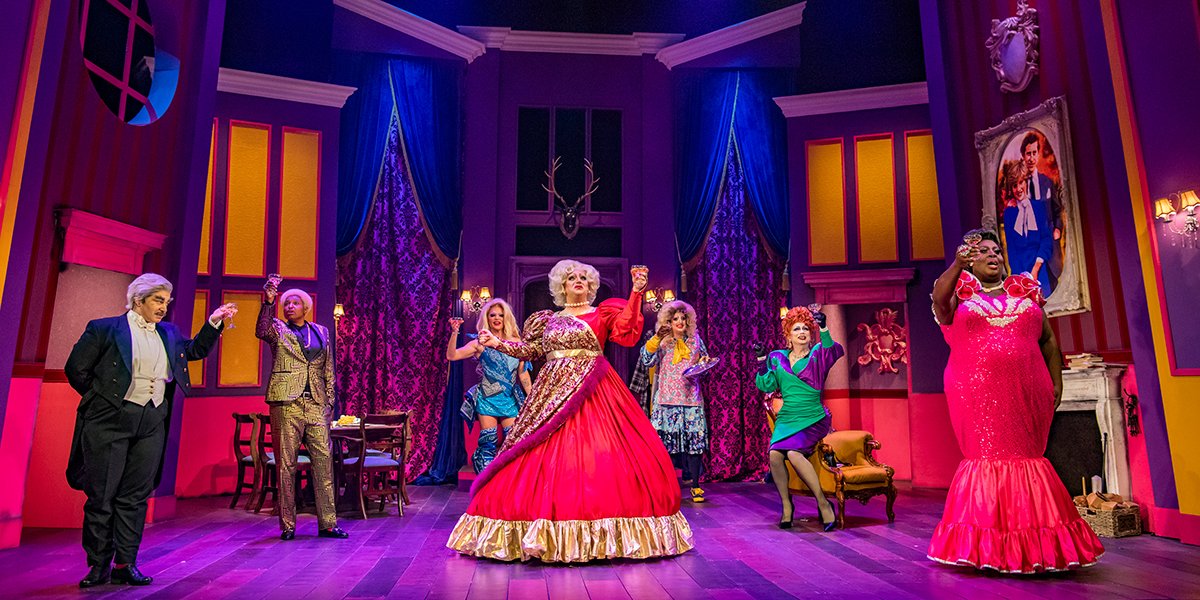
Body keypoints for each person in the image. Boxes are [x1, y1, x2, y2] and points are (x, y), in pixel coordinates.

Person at [446, 260, 693, 562]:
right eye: (572, 277)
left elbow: (627, 331)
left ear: (591, 286)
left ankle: (602, 534)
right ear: (561, 286)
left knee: (599, 456)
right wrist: (498, 343)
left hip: (595, 388)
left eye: (584, 278)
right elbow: (531, 351)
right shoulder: (547, 320)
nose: (578, 281)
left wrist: (637, 292)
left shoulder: (602, 313)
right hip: (550, 393)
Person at [927, 229, 1104, 574]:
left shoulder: (1025, 290)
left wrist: (1056, 381)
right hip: (976, 392)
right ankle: (987, 547)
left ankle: (1039, 546)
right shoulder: (958, 294)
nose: (993, 255)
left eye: (996, 250)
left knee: (1029, 458)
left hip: (1028, 389)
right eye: (983, 251)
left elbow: (1048, 340)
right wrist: (956, 265)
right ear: (970, 260)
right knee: (988, 456)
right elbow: (938, 300)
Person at [65, 274, 235, 587]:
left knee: (135, 496)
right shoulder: (104, 328)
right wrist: (104, 401)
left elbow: (193, 351)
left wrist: (214, 323)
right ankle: (98, 565)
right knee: (102, 495)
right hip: (110, 420)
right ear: (138, 300)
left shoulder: (168, 332)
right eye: (158, 300)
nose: (163, 307)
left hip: (152, 420)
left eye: (166, 302)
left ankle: (125, 563)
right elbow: (76, 369)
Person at [256, 281, 348, 542]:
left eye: (295, 303)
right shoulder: (277, 328)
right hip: (287, 403)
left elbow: (328, 368)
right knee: (286, 465)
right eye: (286, 303)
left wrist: (329, 402)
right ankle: (288, 524)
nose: (290, 306)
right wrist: (269, 301)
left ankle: (328, 523)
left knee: (324, 463)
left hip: (316, 403)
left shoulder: (321, 331)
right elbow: (261, 329)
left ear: (306, 307)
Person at [755, 306, 844, 531]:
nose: (802, 332)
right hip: (787, 417)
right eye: (796, 329)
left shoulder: (818, 354)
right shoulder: (777, 357)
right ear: (788, 334)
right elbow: (767, 385)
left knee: (794, 453)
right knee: (774, 455)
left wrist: (823, 328)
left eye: (805, 328)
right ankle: (787, 506)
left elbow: (833, 350)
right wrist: (761, 361)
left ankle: (823, 503)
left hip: (813, 416)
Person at [446, 298, 532, 473]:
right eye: (493, 315)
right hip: (487, 398)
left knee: (512, 442)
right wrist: (455, 332)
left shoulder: (516, 343)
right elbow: (452, 356)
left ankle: (507, 481)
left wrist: (533, 397)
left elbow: (523, 374)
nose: (497, 318)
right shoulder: (480, 342)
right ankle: (485, 480)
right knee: (488, 443)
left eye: (501, 315)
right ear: (487, 318)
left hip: (509, 399)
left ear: (506, 318)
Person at [639, 300, 710, 503]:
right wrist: (656, 338)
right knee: (665, 446)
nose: (679, 322)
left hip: (691, 399)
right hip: (666, 401)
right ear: (668, 322)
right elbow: (646, 360)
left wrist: (703, 363)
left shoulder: (696, 341)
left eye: (683, 318)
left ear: (688, 321)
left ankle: (695, 486)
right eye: (675, 319)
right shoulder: (662, 342)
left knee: (694, 445)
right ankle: (667, 486)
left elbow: (704, 364)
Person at [1000, 159, 1054, 296]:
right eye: (1014, 185)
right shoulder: (1009, 213)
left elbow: (1046, 240)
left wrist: (1036, 269)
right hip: (1019, 272)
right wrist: (1019, 278)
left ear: (1026, 182)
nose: (1018, 189)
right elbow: (1011, 249)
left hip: (1039, 269)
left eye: (1021, 183)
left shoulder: (1039, 207)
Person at [1020, 132, 1065, 285]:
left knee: (1053, 282)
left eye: (1034, 153)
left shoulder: (1047, 182)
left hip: (1050, 243)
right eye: (1028, 154)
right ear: (1023, 156)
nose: (1031, 158)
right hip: (1030, 246)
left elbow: (1057, 210)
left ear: (1038, 154)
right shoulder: (1019, 186)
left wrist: (1058, 228)